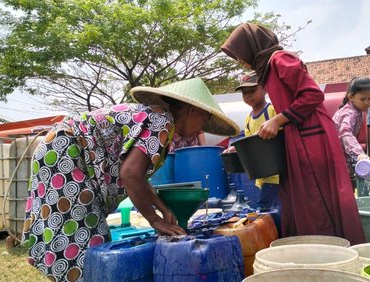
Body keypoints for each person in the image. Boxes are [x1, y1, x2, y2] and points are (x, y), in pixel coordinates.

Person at [21, 77, 240, 281]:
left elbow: (139, 178)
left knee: (81, 233)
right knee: (85, 237)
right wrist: (155, 220)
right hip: (67, 152)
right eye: (206, 117)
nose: (204, 126)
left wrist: (163, 208)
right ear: (193, 110)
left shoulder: (160, 119)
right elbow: (129, 175)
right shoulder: (162, 121)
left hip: (58, 149)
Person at [221, 22, 366, 245]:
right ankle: (309, 249)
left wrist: (278, 120)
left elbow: (313, 95)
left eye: (239, 55)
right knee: (301, 201)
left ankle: (331, 248)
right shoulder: (267, 69)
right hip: (298, 137)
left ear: (250, 46)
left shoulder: (280, 60)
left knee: (316, 200)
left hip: (312, 138)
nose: (240, 61)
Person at [225, 71, 280, 210]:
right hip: (262, 177)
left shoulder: (273, 111)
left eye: (252, 90)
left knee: (269, 212)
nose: (248, 95)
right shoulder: (248, 119)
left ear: (265, 88)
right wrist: (235, 149)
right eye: (244, 93)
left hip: (277, 176)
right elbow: (248, 143)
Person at [332, 77, 370, 169]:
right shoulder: (350, 113)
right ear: (351, 97)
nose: (367, 102)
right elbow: (345, 133)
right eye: (362, 99)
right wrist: (359, 154)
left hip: (340, 157)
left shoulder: (357, 110)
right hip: (334, 159)